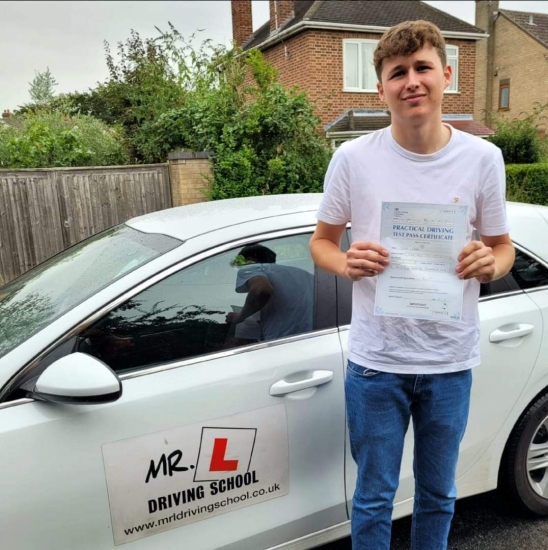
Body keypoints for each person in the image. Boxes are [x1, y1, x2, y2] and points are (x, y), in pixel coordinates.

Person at [310, 20, 515, 550]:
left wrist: (488, 264)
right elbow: (322, 243)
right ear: (381, 88)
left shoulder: (482, 158)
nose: (411, 81)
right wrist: (345, 262)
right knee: (374, 497)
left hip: (449, 362)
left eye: (423, 68)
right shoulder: (352, 159)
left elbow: (502, 246)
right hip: (377, 363)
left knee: (438, 494)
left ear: (447, 74)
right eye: (397, 73)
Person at [227, 244, 314, 341]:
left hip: (285, 342)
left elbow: (261, 290)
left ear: (250, 260)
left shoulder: (251, 267)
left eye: (239, 261)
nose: (238, 267)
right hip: (319, 336)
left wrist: (240, 317)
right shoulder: (306, 275)